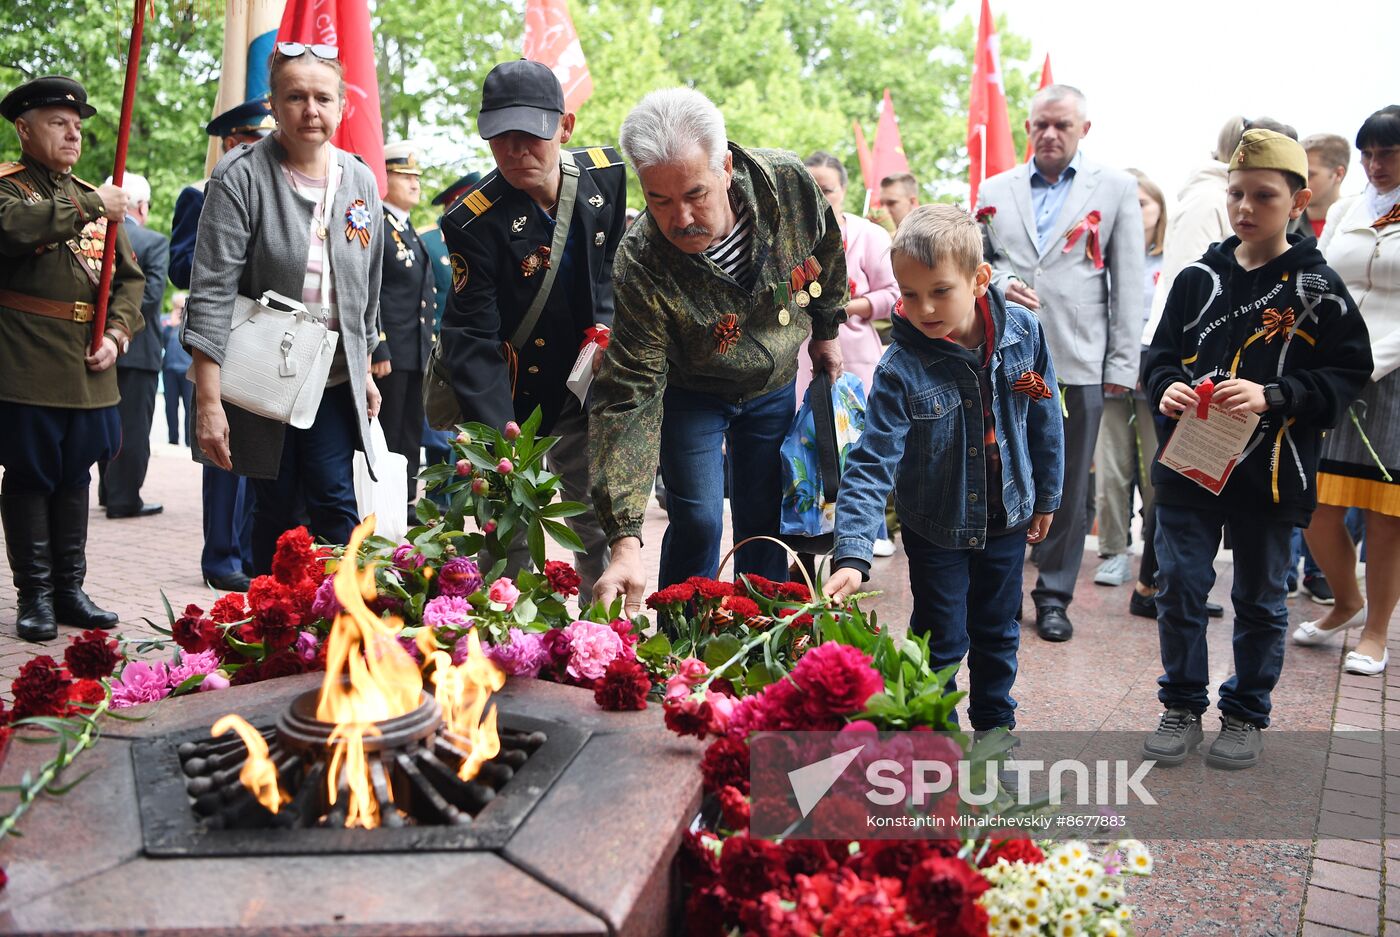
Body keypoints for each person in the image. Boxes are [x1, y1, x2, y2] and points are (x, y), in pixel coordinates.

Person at [1142, 130, 1370, 769]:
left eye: (1263, 196)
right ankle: (1182, 704)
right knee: (1181, 583)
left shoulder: (1317, 289)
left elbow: (1350, 372)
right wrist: (1168, 388)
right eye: (1236, 193)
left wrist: (1276, 395)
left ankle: (1245, 713)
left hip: (1274, 473)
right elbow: (1159, 358)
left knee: (1262, 599)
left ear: (1297, 201)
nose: (1245, 207)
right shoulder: (1196, 280)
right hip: (1190, 464)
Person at [589, 87, 846, 615]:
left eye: (695, 194)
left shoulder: (788, 184)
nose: (681, 218)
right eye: (659, 200)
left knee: (763, 516)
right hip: (693, 394)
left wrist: (826, 329)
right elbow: (630, 395)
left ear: (725, 166)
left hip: (772, 383)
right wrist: (626, 540)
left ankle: (767, 631)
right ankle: (684, 637)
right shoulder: (640, 262)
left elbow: (827, 245)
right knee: (700, 516)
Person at [824, 205, 1063, 732]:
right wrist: (853, 553)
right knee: (939, 638)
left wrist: (1047, 495)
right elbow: (869, 464)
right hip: (936, 527)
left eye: (939, 291)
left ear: (979, 279)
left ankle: (995, 731)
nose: (923, 308)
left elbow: (1045, 416)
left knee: (998, 631)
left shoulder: (1024, 331)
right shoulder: (899, 368)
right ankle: (933, 738)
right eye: (908, 295)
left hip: (1007, 517)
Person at [183, 43, 384, 574]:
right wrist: (208, 402)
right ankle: (277, 632)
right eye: (295, 97)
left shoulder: (360, 180)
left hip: (335, 380)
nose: (310, 110)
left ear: (343, 107)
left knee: (335, 503)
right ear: (274, 104)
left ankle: (343, 633)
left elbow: (367, 283)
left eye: (323, 97)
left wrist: (362, 369)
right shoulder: (241, 176)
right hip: (260, 380)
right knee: (274, 510)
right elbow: (211, 292)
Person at [439, 60, 625, 595]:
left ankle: (609, 631)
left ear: (564, 127)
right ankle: (512, 639)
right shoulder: (473, 221)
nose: (516, 150)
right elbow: (472, 334)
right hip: (514, 397)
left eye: (531, 135)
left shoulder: (606, 175)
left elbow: (609, 268)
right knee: (513, 530)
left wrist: (606, 340)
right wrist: (501, 438)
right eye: (501, 138)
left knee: (597, 517)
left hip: (585, 386)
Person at [975, 84, 1144, 643]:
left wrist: (1120, 363)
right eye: (1040, 125)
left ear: (1083, 130)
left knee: (1067, 484)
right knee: (1000, 471)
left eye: (1062, 126)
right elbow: (980, 261)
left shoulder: (1117, 189)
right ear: (1028, 128)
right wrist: (1000, 282)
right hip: (1004, 354)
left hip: (1078, 361)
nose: (1049, 135)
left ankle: (1054, 595)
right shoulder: (995, 188)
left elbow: (1128, 280)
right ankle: (999, 592)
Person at [0, 75, 144, 642]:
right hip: (27, 361)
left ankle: (69, 590)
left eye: (78, 126)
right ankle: (33, 595)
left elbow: (130, 280)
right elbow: (12, 230)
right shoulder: (10, 189)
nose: (73, 134)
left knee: (76, 474)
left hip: (89, 366)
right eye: (59, 123)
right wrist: (92, 204)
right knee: (31, 477)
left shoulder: (89, 194)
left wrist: (117, 333)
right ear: (24, 128)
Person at [1294, 106, 1400, 675]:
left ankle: (1377, 631)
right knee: (1315, 502)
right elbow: (1321, 279)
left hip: (1392, 376)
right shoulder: (1346, 209)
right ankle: (1346, 600)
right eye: (1368, 154)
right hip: (1335, 372)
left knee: (1387, 514)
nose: (1375, 164)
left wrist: (1367, 363)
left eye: (1388, 153)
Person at [170, 97, 274, 592]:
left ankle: (254, 552)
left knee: (264, 449)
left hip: (269, 335)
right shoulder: (201, 192)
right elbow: (179, 265)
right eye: (256, 139)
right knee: (225, 449)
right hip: (225, 330)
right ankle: (221, 557)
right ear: (232, 141)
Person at [798, 151, 899, 556]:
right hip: (799, 360)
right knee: (805, 445)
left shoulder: (871, 236)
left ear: (844, 191)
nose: (820, 199)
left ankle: (871, 530)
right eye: (811, 190)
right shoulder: (789, 235)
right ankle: (806, 529)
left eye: (827, 190)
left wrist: (844, 308)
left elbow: (894, 295)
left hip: (857, 358)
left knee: (859, 445)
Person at [1092, 169, 1164, 587]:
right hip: (1111, 373)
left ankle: (1156, 557)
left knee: (1160, 471)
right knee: (1113, 469)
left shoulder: (1171, 261)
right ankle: (1114, 551)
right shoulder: (1100, 256)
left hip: (1156, 374)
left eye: (1143, 204)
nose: (1135, 213)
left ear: (1160, 210)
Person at [98, 171, 168, 519]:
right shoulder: (153, 242)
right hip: (138, 350)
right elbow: (151, 297)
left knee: (104, 418)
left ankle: (107, 490)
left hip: (97, 342)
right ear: (141, 206)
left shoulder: (97, 235)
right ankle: (124, 498)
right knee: (134, 428)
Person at [373, 141, 436, 518]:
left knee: (410, 431)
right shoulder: (377, 225)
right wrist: (377, 345)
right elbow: (370, 289)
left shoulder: (408, 229)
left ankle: (405, 501)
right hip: (390, 351)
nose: (414, 183)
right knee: (388, 431)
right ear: (385, 179)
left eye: (416, 176)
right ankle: (382, 503)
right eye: (404, 175)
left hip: (414, 350)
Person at [419, 171, 480, 507]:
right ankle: (438, 501)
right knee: (442, 430)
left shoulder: (483, 238)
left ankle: (463, 497)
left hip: (475, 348)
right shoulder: (429, 243)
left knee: (470, 431)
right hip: (440, 349)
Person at [1302, 134, 1351, 239]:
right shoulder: (1280, 225)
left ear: (1338, 174)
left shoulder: (1359, 224)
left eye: (1309, 175)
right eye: (1298, 174)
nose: (1300, 182)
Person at [162, 293, 194, 445]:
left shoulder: (192, 322)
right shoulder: (165, 321)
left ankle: (189, 441)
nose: (181, 310)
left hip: (187, 370)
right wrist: (171, 325)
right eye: (179, 307)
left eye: (183, 307)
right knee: (170, 406)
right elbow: (160, 342)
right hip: (169, 370)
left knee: (189, 406)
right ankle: (173, 439)